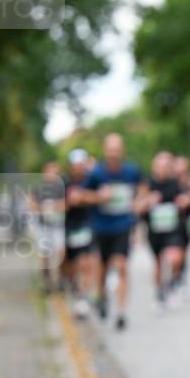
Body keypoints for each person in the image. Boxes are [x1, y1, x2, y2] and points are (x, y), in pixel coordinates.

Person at [84, 133, 141, 330]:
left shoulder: (131, 171)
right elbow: (83, 196)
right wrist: (98, 196)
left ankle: (121, 313)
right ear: (105, 151)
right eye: (110, 149)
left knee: (121, 266)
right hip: (101, 228)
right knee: (101, 270)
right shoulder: (96, 173)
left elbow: (143, 188)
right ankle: (102, 296)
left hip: (122, 227)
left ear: (122, 150)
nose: (113, 153)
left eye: (116, 149)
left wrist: (139, 202)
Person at [138, 151, 190, 310]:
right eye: (160, 166)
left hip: (173, 229)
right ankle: (160, 293)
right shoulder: (147, 184)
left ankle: (172, 283)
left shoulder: (176, 183)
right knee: (159, 263)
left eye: (166, 166)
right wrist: (148, 201)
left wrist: (185, 202)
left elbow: (189, 199)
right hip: (155, 231)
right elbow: (137, 208)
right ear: (154, 167)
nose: (163, 169)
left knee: (175, 258)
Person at [63, 149, 95, 319]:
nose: (78, 168)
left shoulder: (91, 180)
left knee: (85, 262)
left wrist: (83, 198)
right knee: (70, 265)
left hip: (88, 225)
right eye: (75, 165)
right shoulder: (64, 182)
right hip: (69, 226)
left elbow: (101, 197)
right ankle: (75, 289)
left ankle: (84, 296)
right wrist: (69, 202)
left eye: (81, 165)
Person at [32, 160, 66, 295]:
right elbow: (32, 204)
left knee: (60, 252)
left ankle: (59, 279)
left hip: (58, 226)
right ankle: (46, 282)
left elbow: (64, 205)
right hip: (44, 226)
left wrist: (52, 207)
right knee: (44, 254)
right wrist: (44, 208)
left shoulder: (62, 187)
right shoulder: (39, 187)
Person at [172, 155, 190, 294]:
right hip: (171, 225)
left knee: (184, 252)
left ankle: (181, 277)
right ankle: (173, 279)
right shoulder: (170, 183)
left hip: (186, 224)